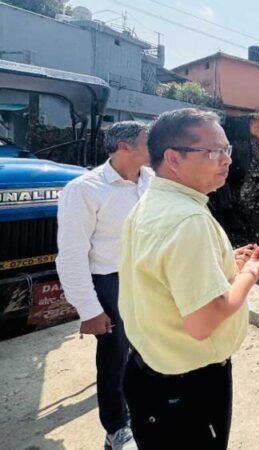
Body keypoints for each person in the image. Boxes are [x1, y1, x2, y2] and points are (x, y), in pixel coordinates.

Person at [118, 108, 259, 450]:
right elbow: (203, 321)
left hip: (152, 373)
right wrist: (251, 273)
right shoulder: (187, 219)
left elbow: (164, 276)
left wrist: (224, 265)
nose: (226, 161)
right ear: (173, 158)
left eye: (227, 150)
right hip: (184, 388)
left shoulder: (154, 203)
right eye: (213, 152)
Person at [56, 121, 151, 450]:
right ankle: (116, 428)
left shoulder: (151, 181)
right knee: (115, 359)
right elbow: (70, 255)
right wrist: (89, 309)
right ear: (125, 147)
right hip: (109, 280)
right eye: (146, 141)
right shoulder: (84, 189)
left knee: (149, 350)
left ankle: (144, 416)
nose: (153, 146)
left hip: (146, 276)